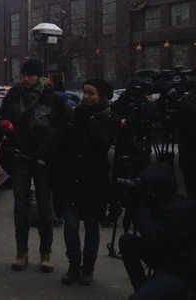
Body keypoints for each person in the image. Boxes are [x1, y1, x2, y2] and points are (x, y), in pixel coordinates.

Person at [0, 58, 70, 273]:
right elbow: (3, 121)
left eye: (30, 75)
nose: (26, 79)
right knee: (20, 207)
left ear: (40, 76)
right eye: (24, 74)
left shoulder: (54, 99)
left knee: (45, 209)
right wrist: (6, 135)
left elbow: (60, 130)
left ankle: (45, 253)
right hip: (20, 158)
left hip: (43, 161)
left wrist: (44, 151)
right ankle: (22, 252)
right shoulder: (13, 95)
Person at [53, 79, 120, 286]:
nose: (86, 97)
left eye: (91, 93)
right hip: (72, 179)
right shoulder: (75, 114)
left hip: (95, 181)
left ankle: (88, 268)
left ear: (102, 96)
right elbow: (63, 142)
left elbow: (103, 143)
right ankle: (74, 265)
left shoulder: (111, 118)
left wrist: (90, 120)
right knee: (71, 225)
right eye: (85, 93)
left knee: (91, 226)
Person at [118, 162, 196, 300]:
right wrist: (131, 204)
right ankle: (143, 288)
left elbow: (154, 238)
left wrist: (139, 208)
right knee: (126, 241)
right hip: (167, 257)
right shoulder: (159, 202)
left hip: (182, 270)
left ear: (157, 189)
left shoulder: (178, 209)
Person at [103, 79, 156, 228]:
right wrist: (120, 123)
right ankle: (114, 210)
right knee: (117, 181)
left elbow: (155, 125)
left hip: (141, 147)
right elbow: (111, 122)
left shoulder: (147, 106)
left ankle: (137, 213)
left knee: (141, 182)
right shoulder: (119, 105)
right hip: (123, 146)